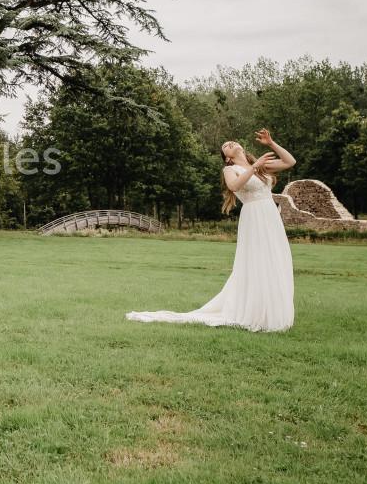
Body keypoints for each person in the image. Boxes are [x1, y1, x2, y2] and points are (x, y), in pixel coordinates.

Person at [127, 129, 296, 332]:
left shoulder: (260, 166)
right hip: (254, 217)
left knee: (274, 259)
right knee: (257, 262)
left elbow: (290, 162)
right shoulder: (230, 169)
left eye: (232, 140)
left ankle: (270, 312)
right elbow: (234, 186)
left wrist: (271, 143)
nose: (230, 142)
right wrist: (254, 168)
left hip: (270, 216)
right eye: (226, 145)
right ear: (226, 157)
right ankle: (253, 313)